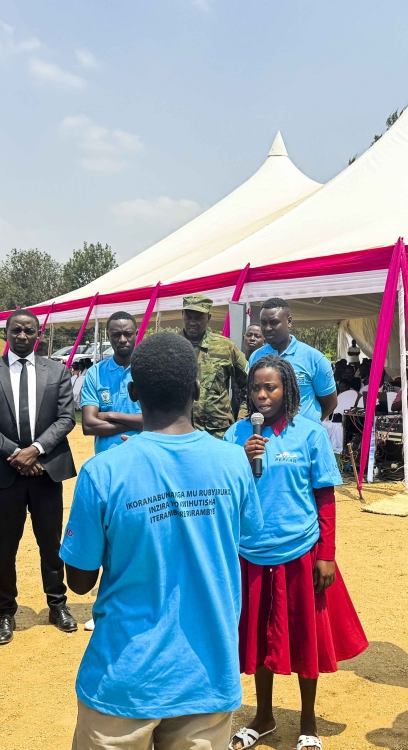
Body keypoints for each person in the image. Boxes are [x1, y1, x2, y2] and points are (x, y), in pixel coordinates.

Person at [60, 332, 263, 750]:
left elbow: (79, 581)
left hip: (125, 678)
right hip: (208, 672)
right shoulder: (234, 463)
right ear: (195, 390)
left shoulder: (105, 471)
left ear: (133, 392)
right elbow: (246, 538)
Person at [225, 355, 367, 750]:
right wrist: (241, 459)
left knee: (305, 637)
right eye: (255, 388)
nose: (262, 395)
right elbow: (224, 493)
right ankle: (263, 715)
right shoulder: (236, 435)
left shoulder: (309, 433)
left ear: (288, 389)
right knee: (256, 637)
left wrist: (327, 553)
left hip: (299, 551)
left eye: (270, 387)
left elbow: (324, 497)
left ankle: (308, 722)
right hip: (250, 553)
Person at [0, 310, 78, 646]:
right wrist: (17, 455)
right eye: (16, 330)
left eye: (29, 331)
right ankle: (5, 612)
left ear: (38, 335)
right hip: (5, 473)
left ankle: (56, 605)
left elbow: (66, 418)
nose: (22, 336)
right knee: (4, 547)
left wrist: (36, 450)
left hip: (46, 472)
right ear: (6, 332)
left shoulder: (57, 371)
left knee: (51, 544)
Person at [250, 298, 337, 423]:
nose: (267, 328)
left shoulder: (314, 358)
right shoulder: (256, 357)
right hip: (268, 436)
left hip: (304, 438)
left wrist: (308, 426)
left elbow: (330, 403)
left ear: (289, 322)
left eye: (274, 322)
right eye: (263, 323)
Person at [180, 294, 248, 438]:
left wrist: (242, 416)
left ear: (208, 318)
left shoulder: (225, 347)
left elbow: (250, 384)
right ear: (182, 315)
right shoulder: (170, 347)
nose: (192, 322)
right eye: (188, 317)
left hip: (218, 433)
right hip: (179, 432)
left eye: (198, 318)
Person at [80, 312, 144, 453]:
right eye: (116, 334)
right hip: (106, 459)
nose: (122, 339)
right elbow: (88, 426)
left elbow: (158, 420)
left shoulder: (149, 371)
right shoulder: (95, 373)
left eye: (128, 333)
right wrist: (137, 424)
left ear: (136, 334)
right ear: (108, 336)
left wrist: (110, 415)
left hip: (143, 456)